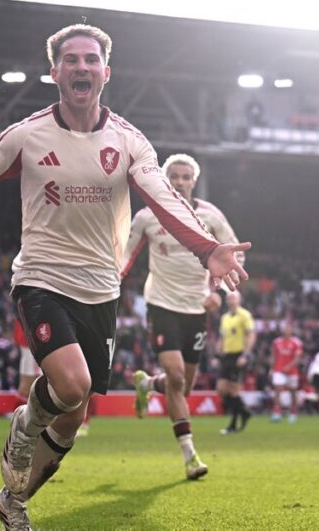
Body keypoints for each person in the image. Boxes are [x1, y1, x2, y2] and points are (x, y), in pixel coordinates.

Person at [0, 24, 251, 531]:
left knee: (74, 416)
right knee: (72, 384)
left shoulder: (128, 141)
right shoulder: (28, 134)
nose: (82, 67)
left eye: (91, 60)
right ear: (54, 72)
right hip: (41, 278)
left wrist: (209, 248)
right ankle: (24, 422)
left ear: (107, 72)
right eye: (71, 59)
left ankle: (13, 501)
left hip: (101, 289)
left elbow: (163, 199)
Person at [122, 152, 243, 480]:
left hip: (196, 309)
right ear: (164, 178)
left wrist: (218, 293)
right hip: (161, 304)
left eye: (185, 176)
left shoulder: (211, 217)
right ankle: (190, 456)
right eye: (173, 176)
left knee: (183, 388)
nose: (179, 182)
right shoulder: (147, 217)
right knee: (175, 378)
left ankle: (147, 383)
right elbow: (123, 258)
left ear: (194, 180)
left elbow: (235, 256)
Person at [217, 290, 256, 434]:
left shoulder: (245, 315)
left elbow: (251, 335)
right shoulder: (224, 318)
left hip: (238, 354)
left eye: (233, 298)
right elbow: (222, 338)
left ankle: (233, 424)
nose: (231, 300)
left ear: (239, 300)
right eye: (229, 298)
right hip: (227, 356)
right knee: (221, 389)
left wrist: (245, 355)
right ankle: (245, 412)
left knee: (233, 390)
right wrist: (217, 355)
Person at [270, 319, 304, 424]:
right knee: (278, 390)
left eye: (288, 329)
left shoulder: (296, 342)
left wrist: (289, 366)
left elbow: (298, 357)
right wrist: (271, 369)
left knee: (292, 392)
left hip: (292, 371)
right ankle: (277, 413)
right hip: (279, 369)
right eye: (285, 329)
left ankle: (293, 413)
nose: (286, 330)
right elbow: (273, 356)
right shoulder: (276, 342)